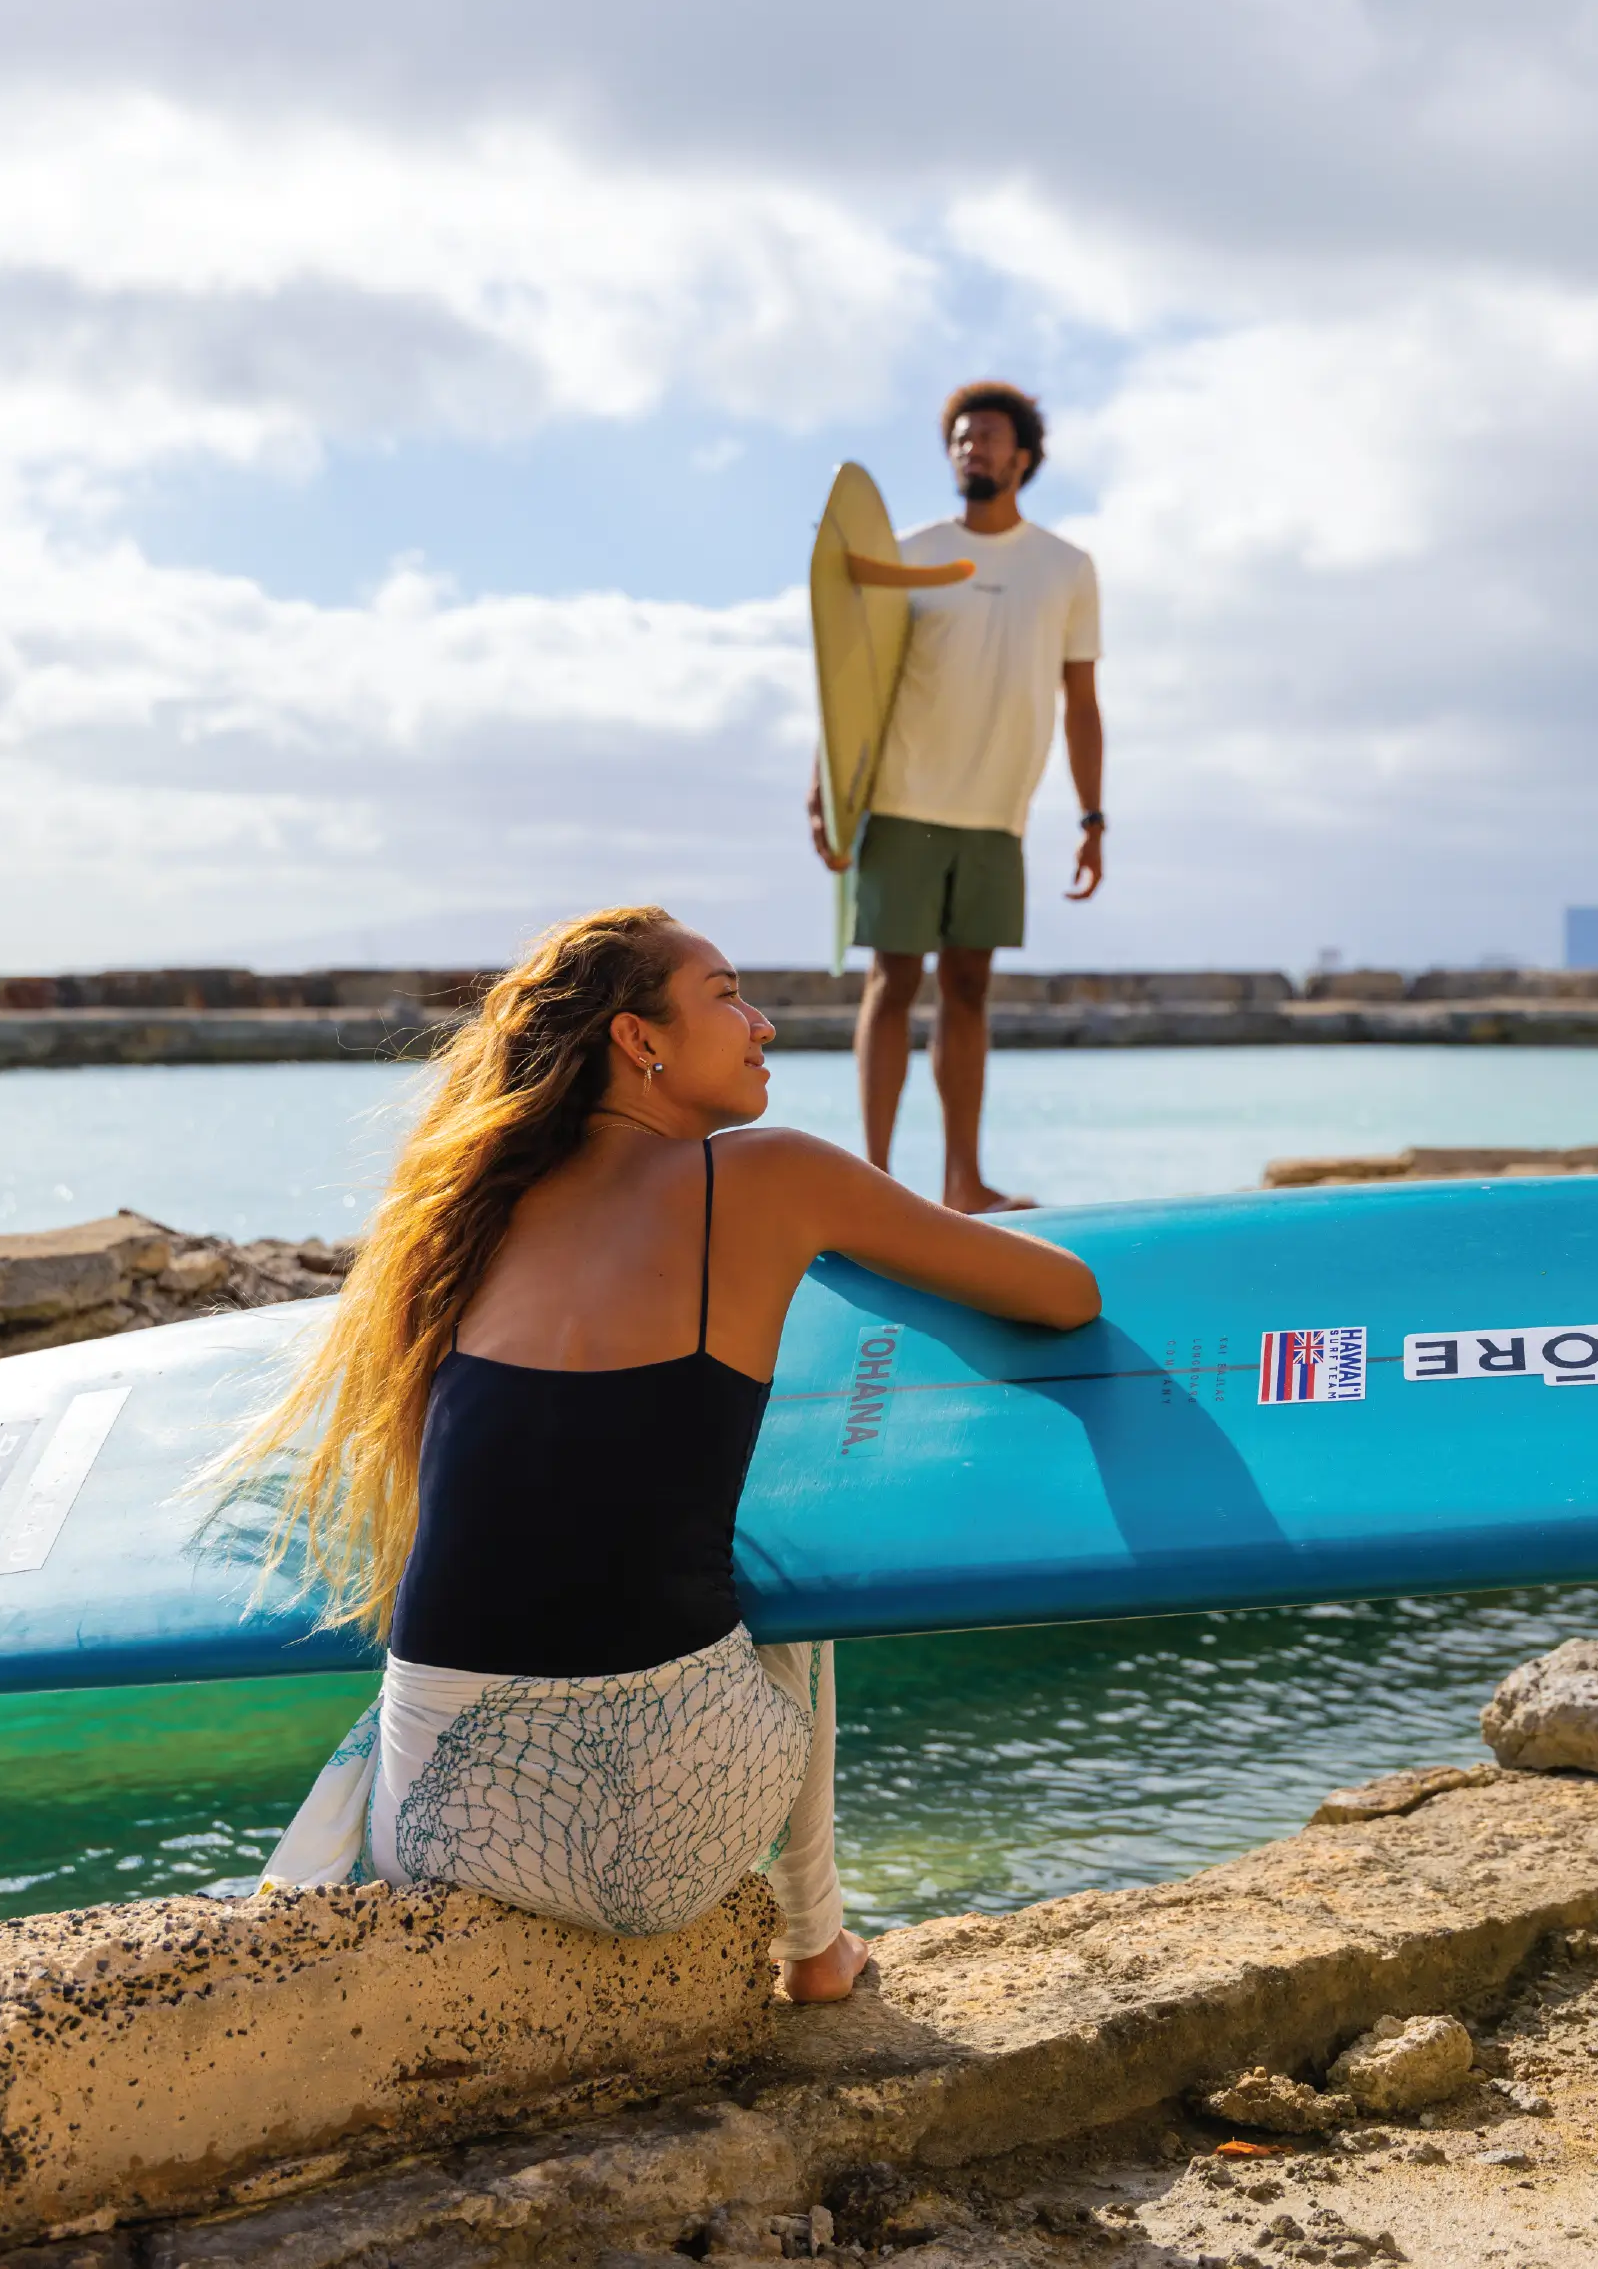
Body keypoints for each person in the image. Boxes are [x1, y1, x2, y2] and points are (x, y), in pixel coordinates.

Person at [240, 904, 1100, 2001]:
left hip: (440, 1839)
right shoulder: (769, 1175)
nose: (764, 1024)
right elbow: (1064, 1296)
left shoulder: (466, 1217)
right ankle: (815, 1949)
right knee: (797, 1587)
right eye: (725, 995)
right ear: (638, 1040)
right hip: (650, 1853)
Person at [807, 381, 1103, 1214]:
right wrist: (824, 787)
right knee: (892, 980)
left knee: (970, 989)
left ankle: (963, 1184)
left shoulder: (1065, 569)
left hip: (998, 810)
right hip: (903, 795)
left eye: (988, 438)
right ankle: (872, 1181)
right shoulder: (907, 553)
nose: (971, 449)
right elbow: (851, 679)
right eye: (960, 438)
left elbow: (1080, 701)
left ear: (1024, 457)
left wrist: (1091, 817)